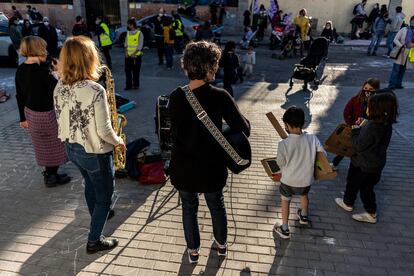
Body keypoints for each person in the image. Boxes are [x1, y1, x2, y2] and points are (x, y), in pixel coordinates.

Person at [169, 41, 250, 263]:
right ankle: (221, 246)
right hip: (211, 168)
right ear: (210, 66)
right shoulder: (220, 96)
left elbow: (171, 131)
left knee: (188, 207)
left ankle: (193, 251)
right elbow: (244, 129)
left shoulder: (175, 96)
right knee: (216, 205)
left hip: (183, 167)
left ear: (186, 66)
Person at [54, 36, 124, 254]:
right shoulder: (95, 90)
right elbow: (104, 131)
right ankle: (94, 240)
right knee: (105, 197)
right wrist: (119, 141)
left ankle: (97, 215)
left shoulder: (60, 85)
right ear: (89, 57)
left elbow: (60, 117)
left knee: (90, 184)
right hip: (95, 151)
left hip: (72, 147)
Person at [335, 91, 398, 224]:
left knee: (364, 189)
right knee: (355, 183)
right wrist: (364, 122)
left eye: (369, 106)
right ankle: (348, 202)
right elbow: (373, 137)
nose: (366, 108)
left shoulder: (373, 127)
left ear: (377, 110)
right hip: (374, 163)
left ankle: (371, 213)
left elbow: (358, 145)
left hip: (364, 164)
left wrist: (356, 130)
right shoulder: (385, 124)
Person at [15, 36, 70, 187]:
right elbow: (60, 89)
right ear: (38, 49)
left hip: (31, 114)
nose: (46, 51)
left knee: (43, 146)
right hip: (47, 115)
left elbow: (19, 96)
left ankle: (49, 174)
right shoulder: (42, 71)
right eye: (43, 48)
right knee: (56, 146)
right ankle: (52, 176)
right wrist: (58, 72)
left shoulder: (20, 70)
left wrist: (22, 118)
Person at [274, 106, 325, 239]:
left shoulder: (283, 143)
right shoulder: (312, 138)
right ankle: (303, 216)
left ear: (286, 125)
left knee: (285, 200)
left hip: (288, 181)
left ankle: (284, 228)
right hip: (306, 180)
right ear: (303, 123)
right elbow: (322, 155)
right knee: (304, 195)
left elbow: (280, 162)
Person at [331, 78, 380, 169]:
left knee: (359, 149)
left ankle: (358, 167)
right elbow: (346, 112)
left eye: (371, 90)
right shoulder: (355, 99)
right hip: (354, 129)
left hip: (367, 131)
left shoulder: (377, 103)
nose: (367, 91)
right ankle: (335, 163)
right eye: (366, 88)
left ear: (376, 90)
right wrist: (350, 124)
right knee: (346, 146)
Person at [388, 16, 414, 89]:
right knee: (396, 69)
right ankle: (392, 85)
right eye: (412, 20)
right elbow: (395, 39)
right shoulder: (404, 29)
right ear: (410, 21)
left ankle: (398, 84)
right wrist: (401, 46)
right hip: (400, 51)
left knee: (403, 69)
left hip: (409, 53)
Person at [124, 18, 144, 90]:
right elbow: (126, 44)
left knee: (136, 71)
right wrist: (126, 53)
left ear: (132, 25)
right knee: (127, 71)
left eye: (128, 24)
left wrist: (134, 53)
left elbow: (140, 45)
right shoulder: (128, 33)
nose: (127, 26)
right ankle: (128, 85)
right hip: (128, 56)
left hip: (136, 56)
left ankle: (136, 85)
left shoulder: (139, 33)